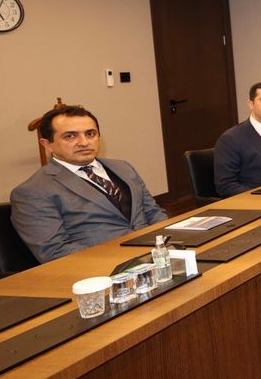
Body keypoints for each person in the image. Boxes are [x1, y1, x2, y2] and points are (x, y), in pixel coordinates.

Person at [10, 105, 167, 262]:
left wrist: (167, 244)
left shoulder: (123, 167)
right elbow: (55, 251)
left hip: (158, 255)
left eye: (90, 134)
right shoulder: (33, 191)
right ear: (47, 144)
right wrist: (128, 260)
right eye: (70, 136)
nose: (84, 142)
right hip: (104, 267)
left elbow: (153, 212)